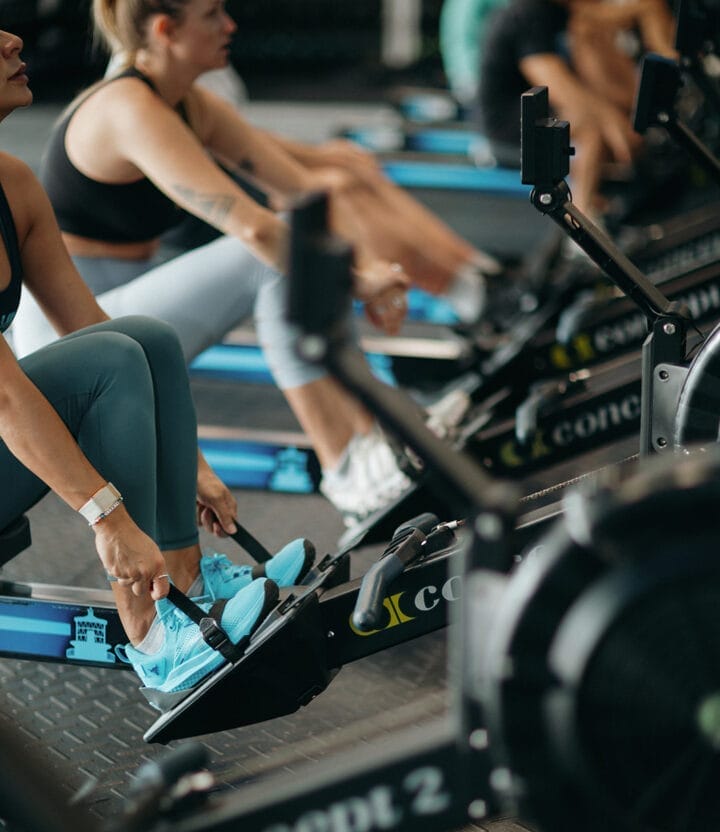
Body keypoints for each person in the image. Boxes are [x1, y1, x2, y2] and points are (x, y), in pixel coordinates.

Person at [12, 0, 499, 534]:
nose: (231, 25)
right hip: (70, 334)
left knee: (301, 236)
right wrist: (360, 282)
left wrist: (374, 267)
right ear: (165, 30)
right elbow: (253, 228)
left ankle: (377, 436)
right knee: (268, 258)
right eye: (214, 15)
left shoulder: (188, 102)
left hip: (126, 304)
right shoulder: (128, 108)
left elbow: (303, 190)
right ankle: (348, 473)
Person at [0, 26, 315, 697]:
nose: (11, 39)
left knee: (144, 336)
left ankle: (189, 579)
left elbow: (88, 322)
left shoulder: (13, 183)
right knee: (112, 359)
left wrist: (186, 464)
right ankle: (150, 634)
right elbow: (3, 396)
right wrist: (109, 521)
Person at [477, 0, 677, 216]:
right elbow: (557, 86)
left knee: (601, 121)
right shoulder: (528, 13)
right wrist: (612, 121)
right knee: (589, 129)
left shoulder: (570, 15)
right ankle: (579, 222)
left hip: (546, 110)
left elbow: (615, 91)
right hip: (508, 124)